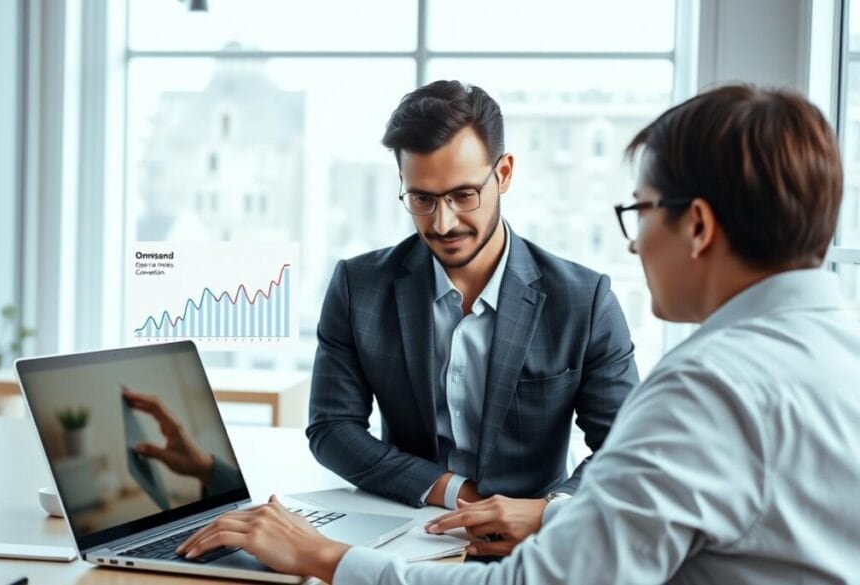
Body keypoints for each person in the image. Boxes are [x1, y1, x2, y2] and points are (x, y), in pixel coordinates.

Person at [176, 85, 860, 583]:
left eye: (641, 210)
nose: (635, 242)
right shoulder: (838, 353)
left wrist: (324, 557)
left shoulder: (699, 386)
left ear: (699, 226)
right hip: (410, 525)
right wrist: (532, 514)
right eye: (422, 199)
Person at [305, 80, 640, 549]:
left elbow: (625, 448)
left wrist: (550, 513)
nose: (443, 223)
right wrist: (453, 492)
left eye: (464, 195)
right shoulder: (357, 286)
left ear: (503, 174)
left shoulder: (584, 300)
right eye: (422, 199)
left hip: (537, 545)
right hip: (406, 532)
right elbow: (331, 428)